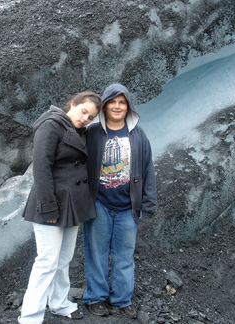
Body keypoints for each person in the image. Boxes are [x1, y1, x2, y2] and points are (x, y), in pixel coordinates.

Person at [18, 91, 102, 324]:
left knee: (64, 259)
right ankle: (30, 317)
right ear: (72, 104)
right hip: (52, 203)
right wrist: (48, 207)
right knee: (46, 262)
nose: (86, 118)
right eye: (84, 111)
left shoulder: (79, 130)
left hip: (73, 204)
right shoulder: (50, 124)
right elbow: (41, 168)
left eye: (91, 116)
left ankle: (59, 303)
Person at [82, 83, 157, 319]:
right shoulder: (92, 133)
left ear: (128, 106)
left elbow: (147, 170)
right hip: (99, 204)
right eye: (112, 102)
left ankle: (122, 299)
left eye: (122, 102)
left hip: (128, 207)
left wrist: (149, 203)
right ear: (104, 106)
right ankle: (96, 296)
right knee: (96, 252)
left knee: (125, 254)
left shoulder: (138, 135)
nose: (117, 106)